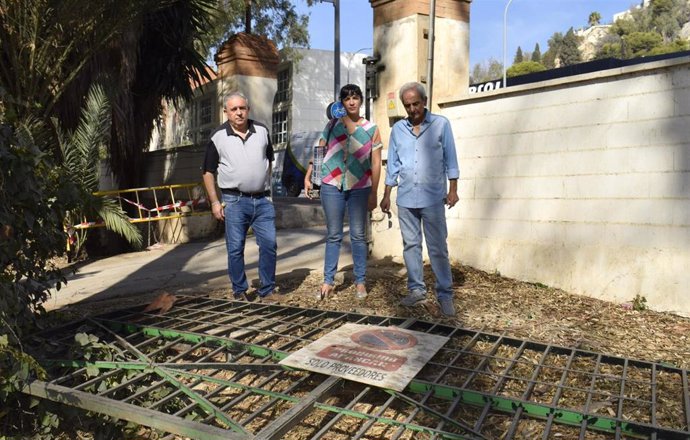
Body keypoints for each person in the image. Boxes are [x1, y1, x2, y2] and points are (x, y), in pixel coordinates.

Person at [380, 82, 459, 317]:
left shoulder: (441, 125)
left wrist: (453, 188)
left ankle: (445, 294)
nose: (412, 109)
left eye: (416, 103)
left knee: (437, 248)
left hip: (433, 197)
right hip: (405, 198)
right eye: (408, 105)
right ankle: (416, 290)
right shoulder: (398, 130)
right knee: (411, 246)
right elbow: (392, 164)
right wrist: (386, 195)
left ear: (424, 101)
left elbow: (450, 158)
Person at [305, 84, 383, 300]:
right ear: (341, 102)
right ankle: (328, 281)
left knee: (358, 236)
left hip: (360, 187)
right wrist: (310, 174)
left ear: (360, 101)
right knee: (333, 235)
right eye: (347, 98)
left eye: (355, 97)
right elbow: (320, 150)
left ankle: (360, 281)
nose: (351, 102)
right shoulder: (331, 125)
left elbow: (376, 163)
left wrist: (374, 192)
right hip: (332, 184)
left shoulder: (371, 129)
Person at [202, 92, 279, 303]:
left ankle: (268, 290)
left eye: (242, 108)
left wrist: (268, 191)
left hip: (263, 201)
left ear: (248, 109)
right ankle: (239, 290)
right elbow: (208, 172)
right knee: (235, 248)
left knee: (269, 245)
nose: (238, 112)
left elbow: (269, 161)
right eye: (233, 109)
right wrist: (215, 202)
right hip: (234, 201)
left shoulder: (262, 131)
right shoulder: (217, 137)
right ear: (226, 112)